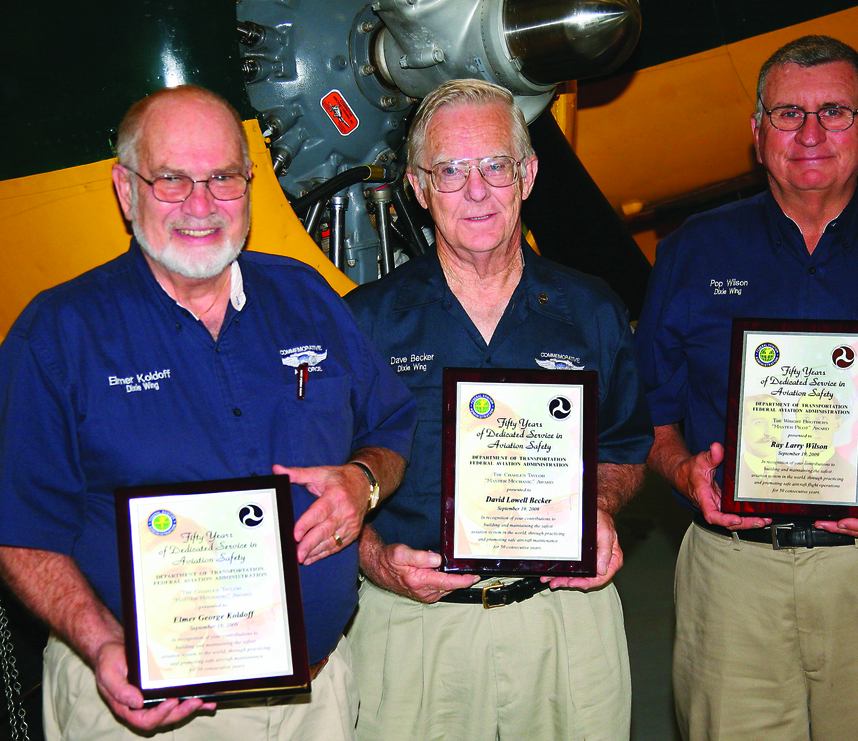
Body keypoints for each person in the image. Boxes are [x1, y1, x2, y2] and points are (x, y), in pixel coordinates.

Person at [0, 85, 416, 740]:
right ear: (125, 188)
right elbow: (22, 530)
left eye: (222, 177)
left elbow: (389, 425)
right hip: (145, 711)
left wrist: (362, 481)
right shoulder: (58, 334)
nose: (201, 205)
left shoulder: (305, 297)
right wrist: (104, 642)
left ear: (251, 180)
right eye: (172, 180)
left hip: (315, 697)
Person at [635, 35, 858, 740]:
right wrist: (680, 468)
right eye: (786, 113)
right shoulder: (692, 252)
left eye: (834, 111)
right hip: (733, 576)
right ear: (756, 133)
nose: (808, 133)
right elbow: (652, 411)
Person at [344, 79, 653, 741]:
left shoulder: (592, 309)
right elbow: (327, 486)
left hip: (562, 616)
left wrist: (598, 505)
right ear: (418, 187)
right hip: (414, 626)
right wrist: (376, 560)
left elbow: (625, 448)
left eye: (495, 165)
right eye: (451, 170)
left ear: (529, 173)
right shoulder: (364, 322)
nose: (477, 190)